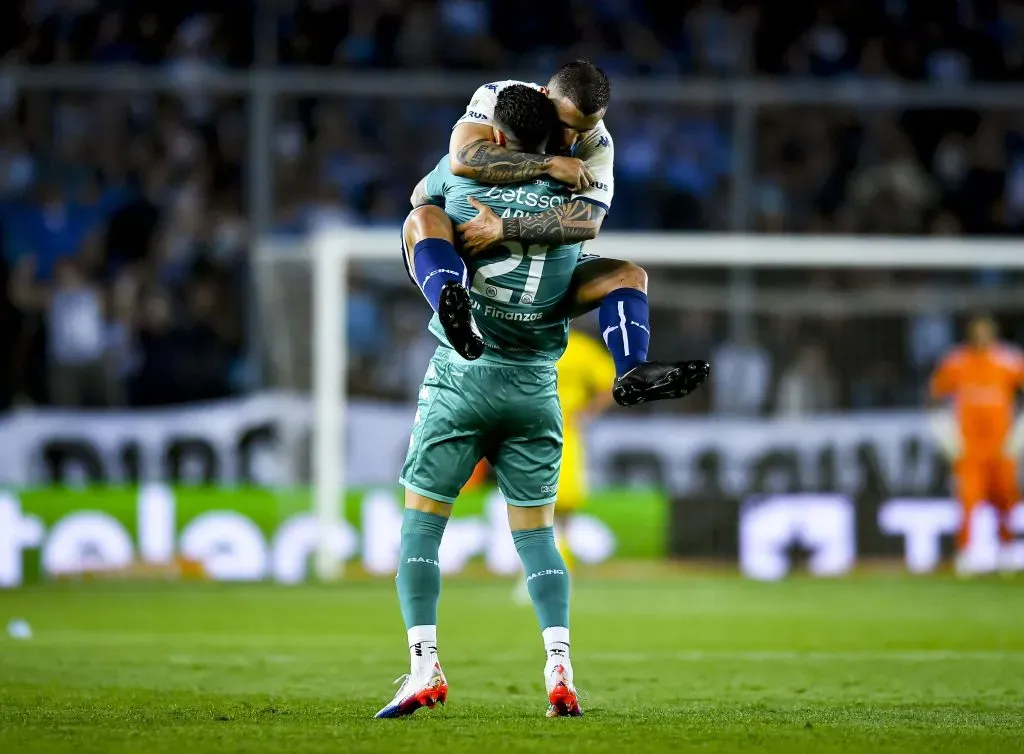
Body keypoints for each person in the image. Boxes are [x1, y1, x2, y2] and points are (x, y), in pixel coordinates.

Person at [446, 60, 709, 405]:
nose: (571, 138)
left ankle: (631, 370)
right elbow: (462, 156)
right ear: (544, 96)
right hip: (479, 264)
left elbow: (588, 222)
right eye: (564, 124)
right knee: (424, 219)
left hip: (542, 276)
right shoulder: (502, 98)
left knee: (629, 277)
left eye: (583, 129)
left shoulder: (597, 143)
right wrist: (549, 164)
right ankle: (451, 300)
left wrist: (505, 228)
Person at [514, 326, 616, 604]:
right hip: (530, 431)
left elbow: (610, 384)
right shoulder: (531, 341)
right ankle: (540, 572)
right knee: (530, 503)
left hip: (565, 434)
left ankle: (556, 572)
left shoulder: (582, 348)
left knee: (562, 506)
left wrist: (586, 413)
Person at [929, 315, 1024, 576]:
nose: (981, 337)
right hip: (970, 449)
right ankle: (966, 553)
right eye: (977, 332)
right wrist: (947, 436)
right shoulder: (956, 362)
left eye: (986, 332)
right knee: (968, 501)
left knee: (1005, 499)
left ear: (994, 334)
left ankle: (1006, 551)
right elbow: (934, 398)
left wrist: (1019, 434)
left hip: (1001, 447)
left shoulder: (1009, 361)